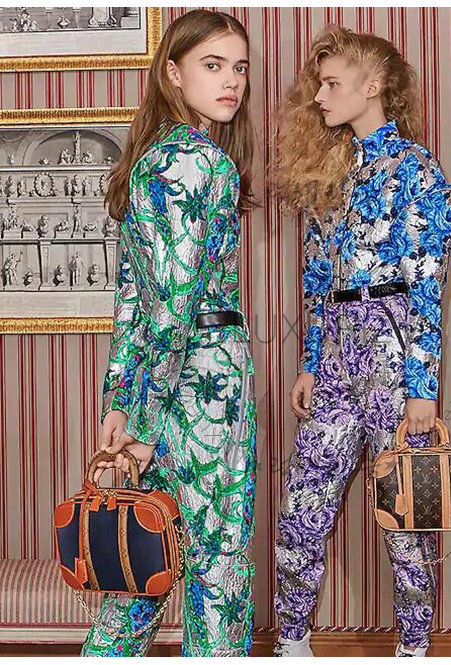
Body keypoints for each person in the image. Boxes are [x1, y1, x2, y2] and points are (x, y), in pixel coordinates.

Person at [272, 26, 451, 657]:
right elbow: (316, 277)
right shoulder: (329, 172)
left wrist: (422, 388)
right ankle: (291, 642)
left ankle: (414, 648)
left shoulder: (417, 170)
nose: (320, 96)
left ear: (374, 85)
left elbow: (428, 286)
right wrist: (309, 363)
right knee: (302, 508)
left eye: (332, 83)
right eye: (319, 84)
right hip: (334, 357)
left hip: (392, 353)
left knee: (406, 519)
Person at [81, 9, 257, 657]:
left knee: (141, 561)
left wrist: (121, 403)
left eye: (239, 67)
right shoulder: (202, 162)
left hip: (159, 386)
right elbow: (173, 306)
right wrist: (146, 426)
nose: (231, 81)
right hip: (207, 382)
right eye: (213, 65)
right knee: (217, 568)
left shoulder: (150, 161)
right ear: (173, 73)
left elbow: (133, 301)